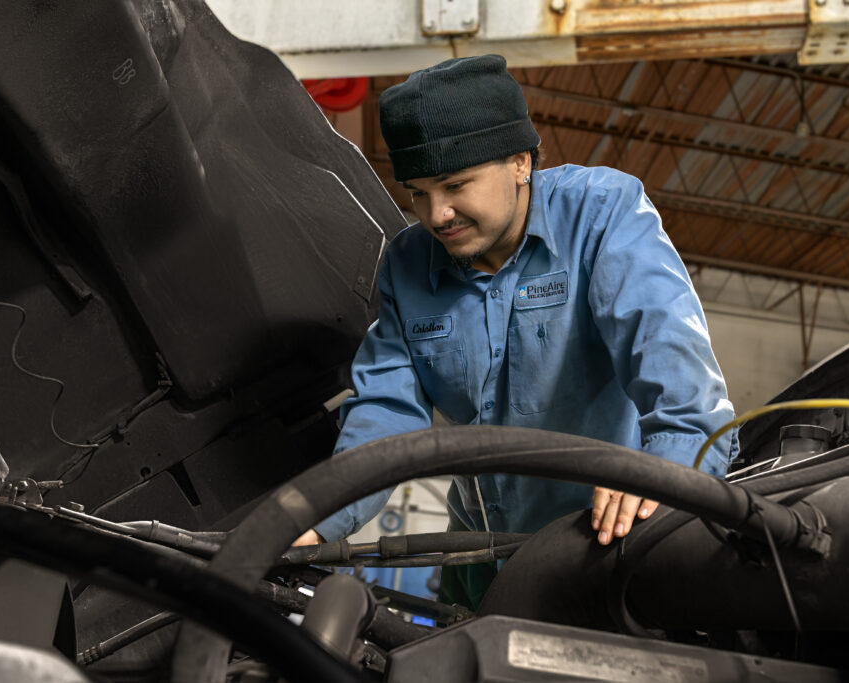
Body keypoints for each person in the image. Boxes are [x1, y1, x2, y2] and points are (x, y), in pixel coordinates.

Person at [293, 54, 737, 607]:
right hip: (477, 557)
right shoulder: (408, 263)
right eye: (418, 192)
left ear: (521, 162)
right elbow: (386, 411)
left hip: (610, 542)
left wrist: (662, 475)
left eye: (456, 184)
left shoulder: (600, 214)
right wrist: (315, 520)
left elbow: (676, 373)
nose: (437, 215)